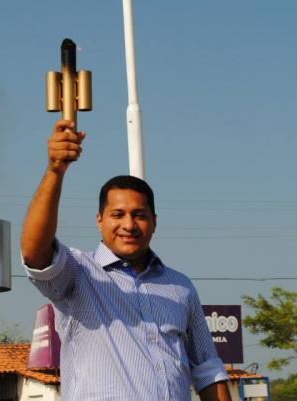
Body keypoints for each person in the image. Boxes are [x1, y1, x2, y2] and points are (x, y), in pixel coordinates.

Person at [21, 119, 231, 401]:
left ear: (154, 222)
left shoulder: (180, 286)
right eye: (117, 215)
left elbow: (207, 368)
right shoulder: (79, 273)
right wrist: (55, 171)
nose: (129, 225)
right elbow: (34, 252)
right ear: (99, 220)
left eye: (139, 215)